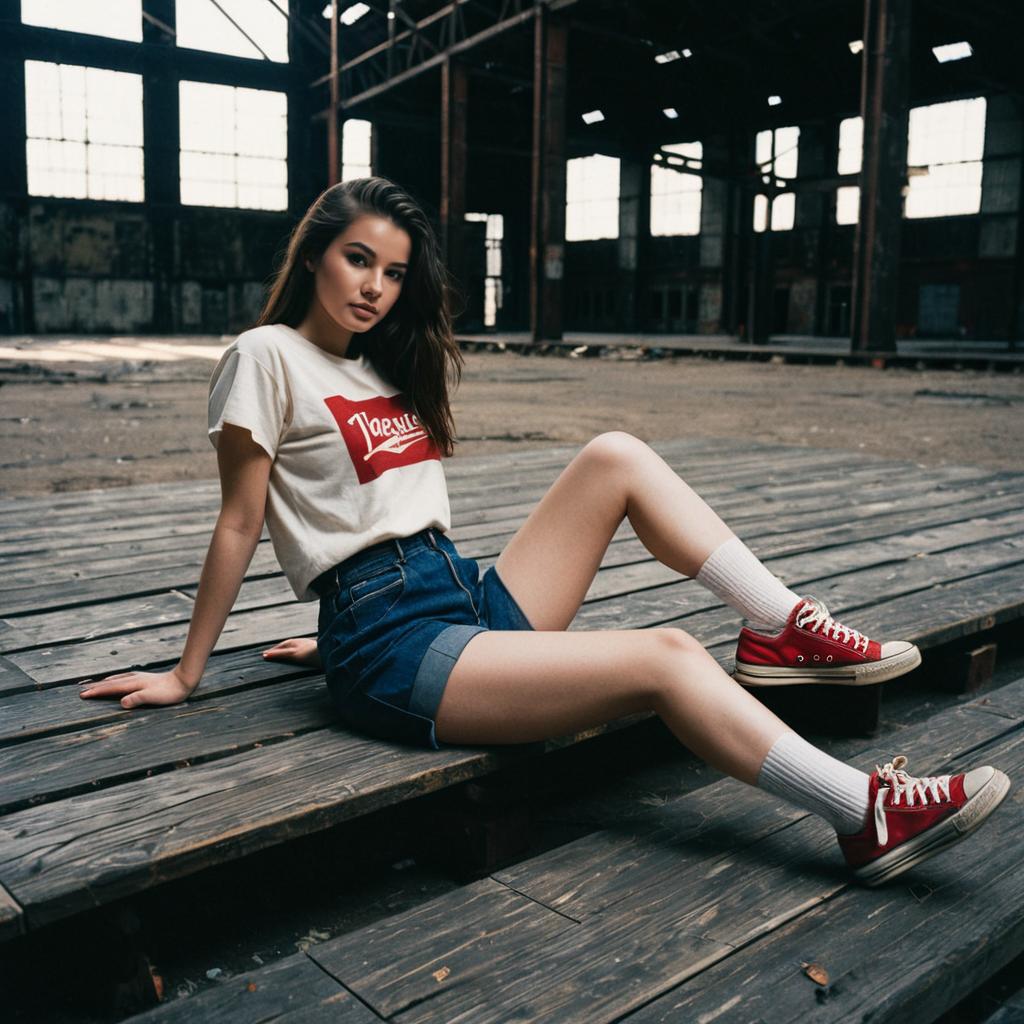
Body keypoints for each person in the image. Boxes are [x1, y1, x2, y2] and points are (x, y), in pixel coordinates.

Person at [78, 177, 1009, 886]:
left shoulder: (379, 371)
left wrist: (325, 635)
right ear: (317, 251)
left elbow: (367, 511)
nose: (375, 287)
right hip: (394, 641)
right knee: (669, 656)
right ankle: (861, 813)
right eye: (359, 259)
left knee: (615, 454)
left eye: (395, 272)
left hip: (456, 601)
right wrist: (189, 672)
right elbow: (242, 520)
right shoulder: (263, 355)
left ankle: (780, 622)